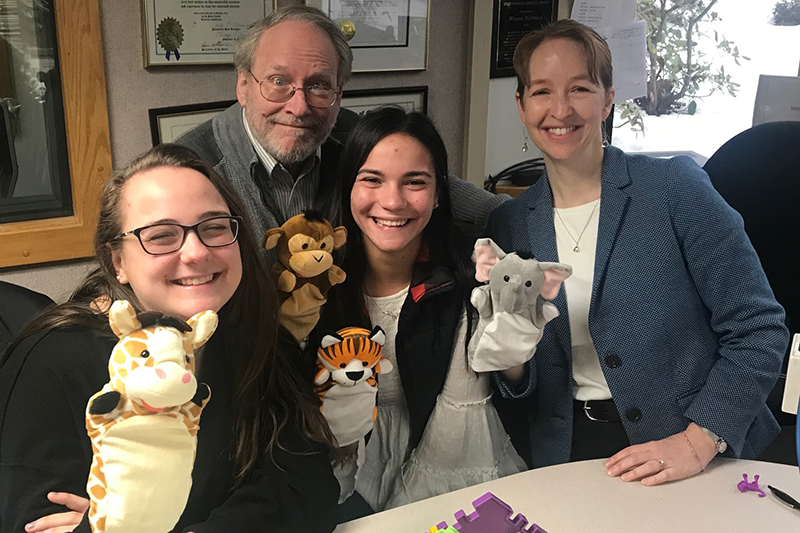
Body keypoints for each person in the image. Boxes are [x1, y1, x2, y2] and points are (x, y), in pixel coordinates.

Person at [488, 19, 788, 486]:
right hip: (563, 453)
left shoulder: (673, 190)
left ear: (609, 97)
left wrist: (698, 440)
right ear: (522, 106)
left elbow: (759, 329)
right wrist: (508, 361)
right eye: (542, 91)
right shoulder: (509, 223)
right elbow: (520, 384)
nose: (560, 109)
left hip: (690, 445)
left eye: (581, 88)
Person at [0, 144, 339, 533]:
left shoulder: (258, 337)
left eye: (214, 227)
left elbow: (307, 485)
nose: (195, 252)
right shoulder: (52, 360)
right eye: (161, 236)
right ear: (118, 262)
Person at [318, 107, 527, 515]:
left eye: (414, 182)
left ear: (437, 195)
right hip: (345, 491)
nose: (392, 201)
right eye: (372, 180)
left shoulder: (472, 282)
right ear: (348, 188)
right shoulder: (318, 291)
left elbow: (517, 392)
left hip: (451, 485)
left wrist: (515, 346)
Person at [176, 5, 504, 249]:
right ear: (243, 85)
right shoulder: (187, 167)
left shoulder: (356, 136)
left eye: (319, 85)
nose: (299, 107)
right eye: (278, 82)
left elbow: (484, 208)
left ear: (339, 93)